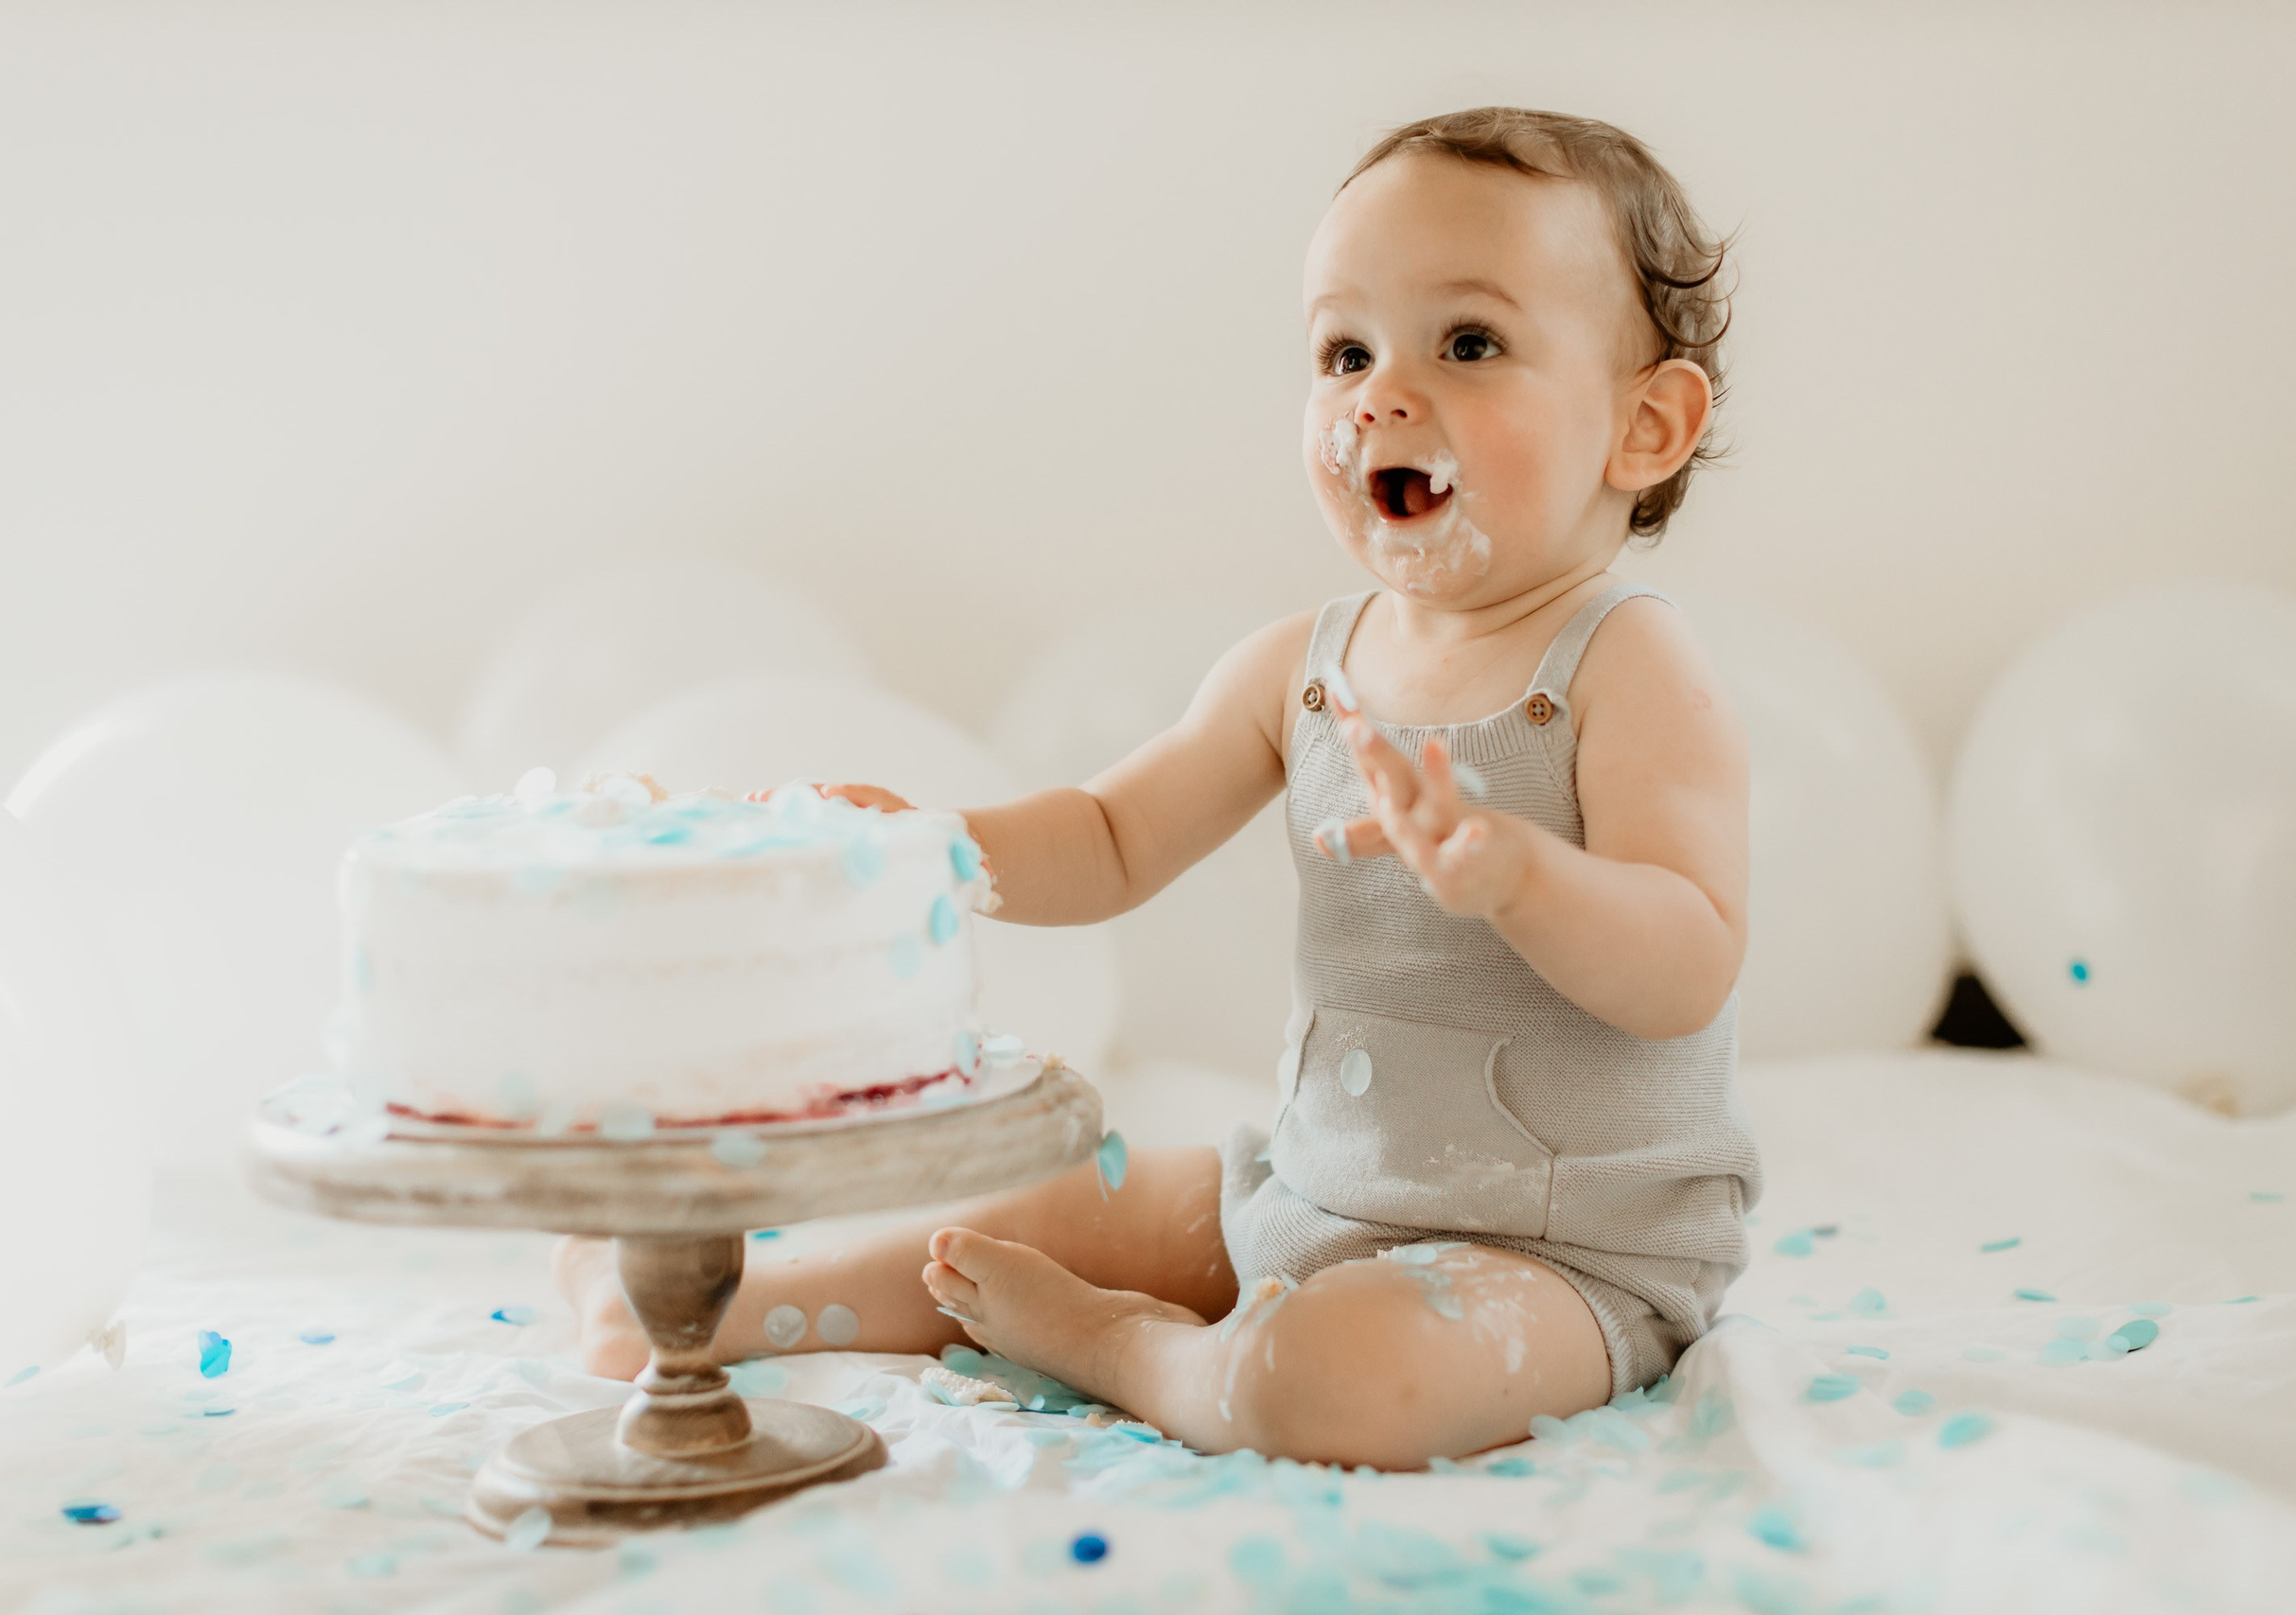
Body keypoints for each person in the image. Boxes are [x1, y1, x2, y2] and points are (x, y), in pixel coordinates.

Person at [561, 106, 1760, 1469]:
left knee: (1327, 1379)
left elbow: (1689, 962)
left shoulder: (1627, 665)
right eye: (1344, 350)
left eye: (1469, 343)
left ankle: (1125, 1346)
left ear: (1647, 425)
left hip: (1563, 1258)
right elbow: (1111, 835)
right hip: (1312, 1192)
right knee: (1047, 1201)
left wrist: (1516, 872)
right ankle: (718, 1308)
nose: (1378, 392)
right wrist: (937, 850)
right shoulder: (1301, 670)